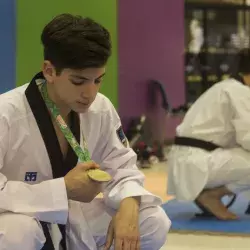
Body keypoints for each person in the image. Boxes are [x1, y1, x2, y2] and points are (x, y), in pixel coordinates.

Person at [0, 14, 170, 250]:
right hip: (18, 218)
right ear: (49, 71)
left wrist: (128, 206)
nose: (89, 93)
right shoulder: (6, 113)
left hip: (73, 218)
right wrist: (63, 189)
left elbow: (122, 167)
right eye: (79, 81)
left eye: (98, 80)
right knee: (17, 233)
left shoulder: (100, 108)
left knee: (152, 221)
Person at [167, 48, 250, 221]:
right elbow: (248, 138)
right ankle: (211, 195)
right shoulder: (241, 93)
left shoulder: (227, 87)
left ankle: (208, 194)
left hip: (191, 159)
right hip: (198, 161)